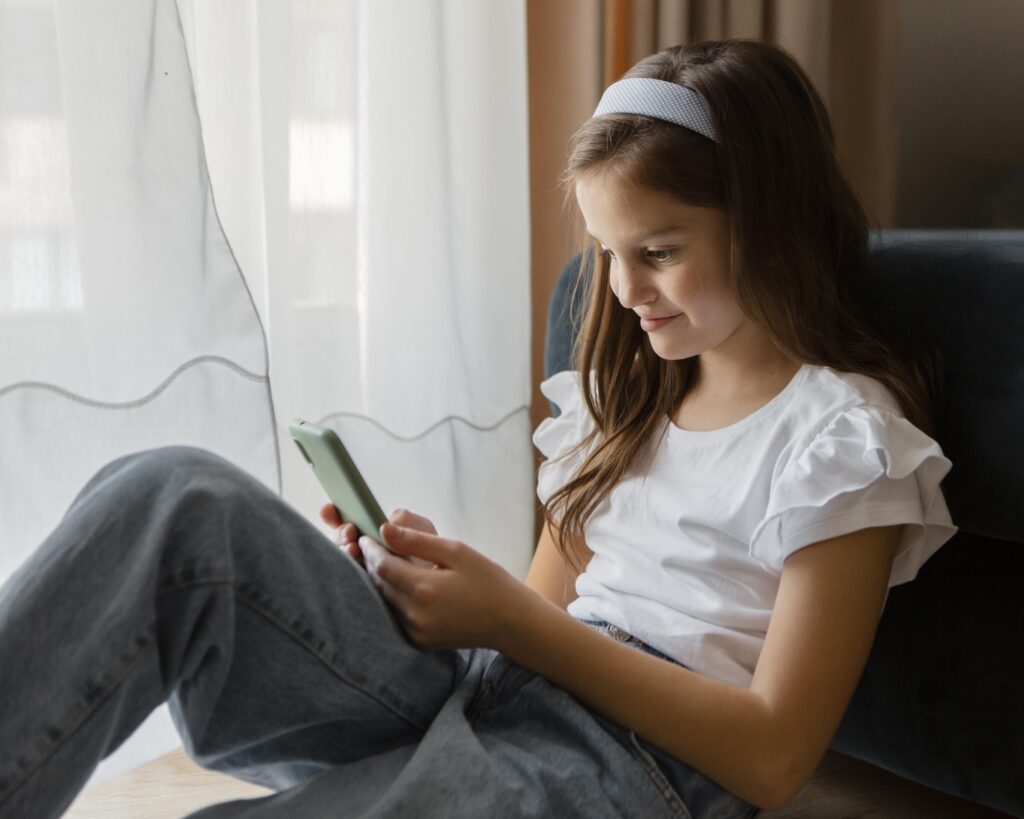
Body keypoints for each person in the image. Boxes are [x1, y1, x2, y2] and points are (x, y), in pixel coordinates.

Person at [0, 38, 957, 819]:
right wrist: (420, 592)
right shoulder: (624, 407)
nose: (624, 292)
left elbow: (776, 756)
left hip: (631, 773)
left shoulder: (840, 442)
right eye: (610, 253)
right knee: (174, 500)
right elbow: (534, 625)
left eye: (658, 251)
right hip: (493, 694)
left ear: (770, 223)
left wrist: (508, 619)